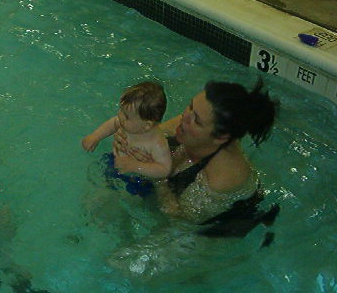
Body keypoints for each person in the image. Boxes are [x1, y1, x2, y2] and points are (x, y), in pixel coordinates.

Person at [118, 78, 279, 237]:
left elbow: (180, 221)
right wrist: (131, 137)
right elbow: (149, 133)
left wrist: (158, 177)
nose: (184, 117)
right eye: (190, 106)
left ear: (221, 137)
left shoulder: (221, 180)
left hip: (214, 230)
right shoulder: (195, 124)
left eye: (197, 120)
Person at [82, 81, 172, 196]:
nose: (120, 116)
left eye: (126, 116)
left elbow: (164, 169)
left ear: (147, 125)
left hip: (137, 179)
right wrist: (95, 136)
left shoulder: (156, 143)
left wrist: (136, 166)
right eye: (121, 110)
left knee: (125, 197)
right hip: (115, 161)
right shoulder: (130, 123)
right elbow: (113, 123)